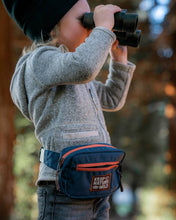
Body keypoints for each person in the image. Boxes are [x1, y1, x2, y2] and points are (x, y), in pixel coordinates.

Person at [3, 0, 136, 219]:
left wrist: (119, 61)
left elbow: (113, 99)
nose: (91, 27)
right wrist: (103, 29)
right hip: (64, 187)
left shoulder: (71, 70)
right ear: (51, 28)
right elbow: (85, 67)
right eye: (86, 20)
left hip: (97, 182)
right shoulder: (41, 62)